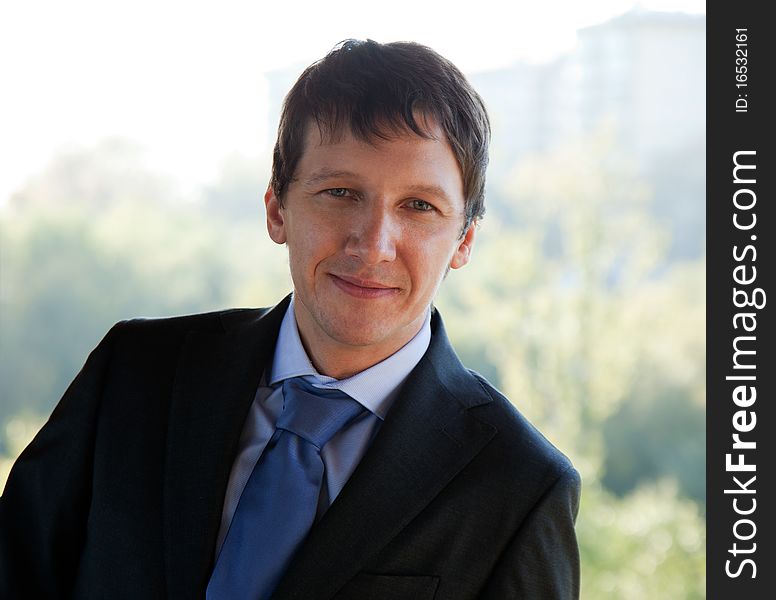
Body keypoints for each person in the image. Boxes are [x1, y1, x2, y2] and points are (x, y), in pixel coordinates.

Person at [0, 39, 580, 599]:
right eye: (340, 192)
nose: (374, 244)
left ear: (463, 241)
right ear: (277, 208)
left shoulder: (519, 485)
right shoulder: (133, 375)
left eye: (419, 206)